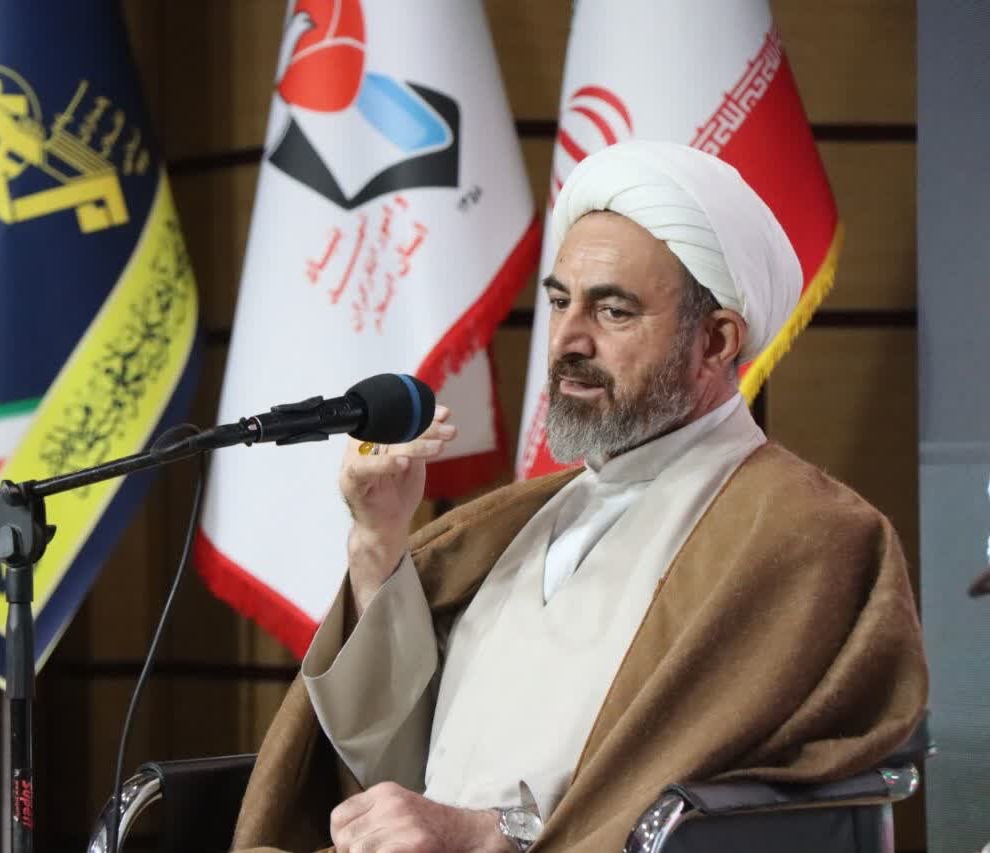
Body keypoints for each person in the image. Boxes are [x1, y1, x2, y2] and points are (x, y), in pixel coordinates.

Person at [232, 141, 928, 853]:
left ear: (716, 341)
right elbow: (398, 764)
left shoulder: (802, 534)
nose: (567, 339)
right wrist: (378, 539)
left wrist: (495, 835)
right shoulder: (518, 522)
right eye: (561, 301)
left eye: (614, 311)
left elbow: (714, 810)